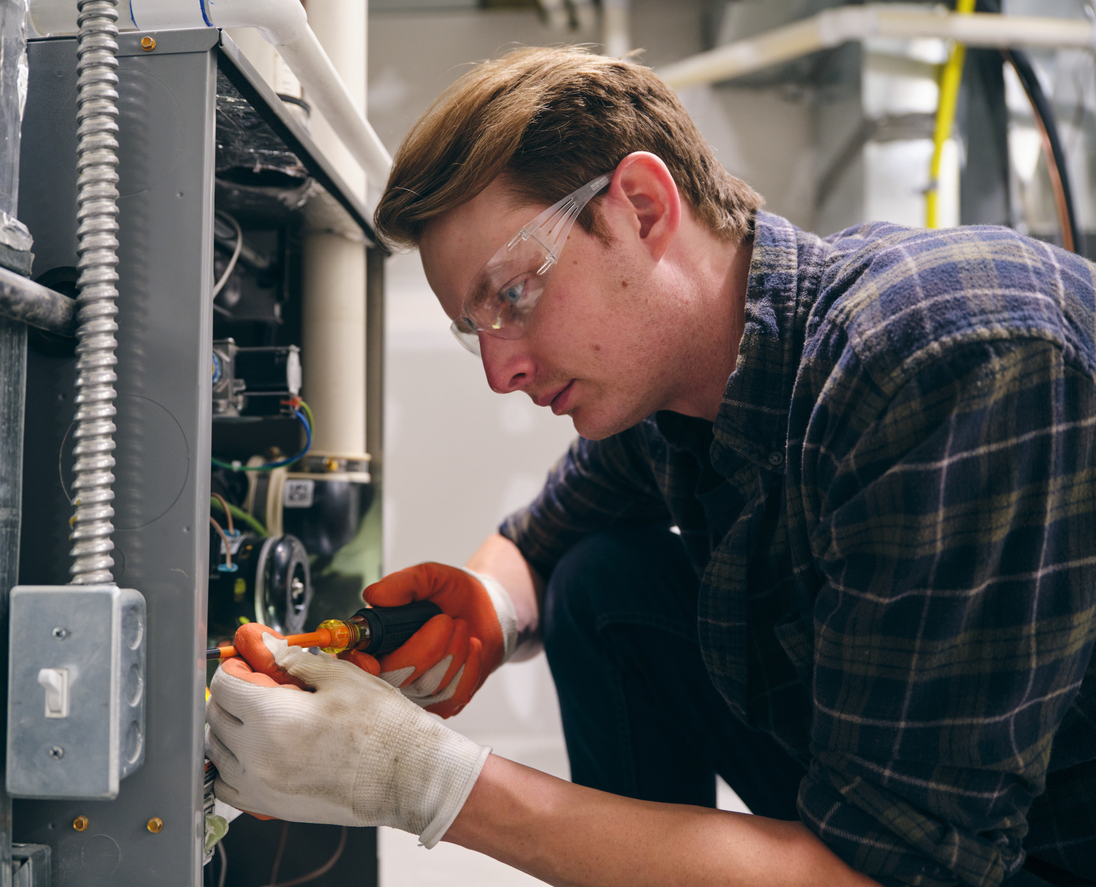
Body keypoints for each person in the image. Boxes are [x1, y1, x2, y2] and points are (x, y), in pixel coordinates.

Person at [206, 46, 1096, 887]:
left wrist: (420, 779)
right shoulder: (676, 388)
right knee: (602, 582)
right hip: (897, 841)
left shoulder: (944, 361)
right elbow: (542, 543)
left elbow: (896, 873)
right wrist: (486, 608)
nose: (499, 370)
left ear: (640, 206)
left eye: (513, 295)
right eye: (474, 327)